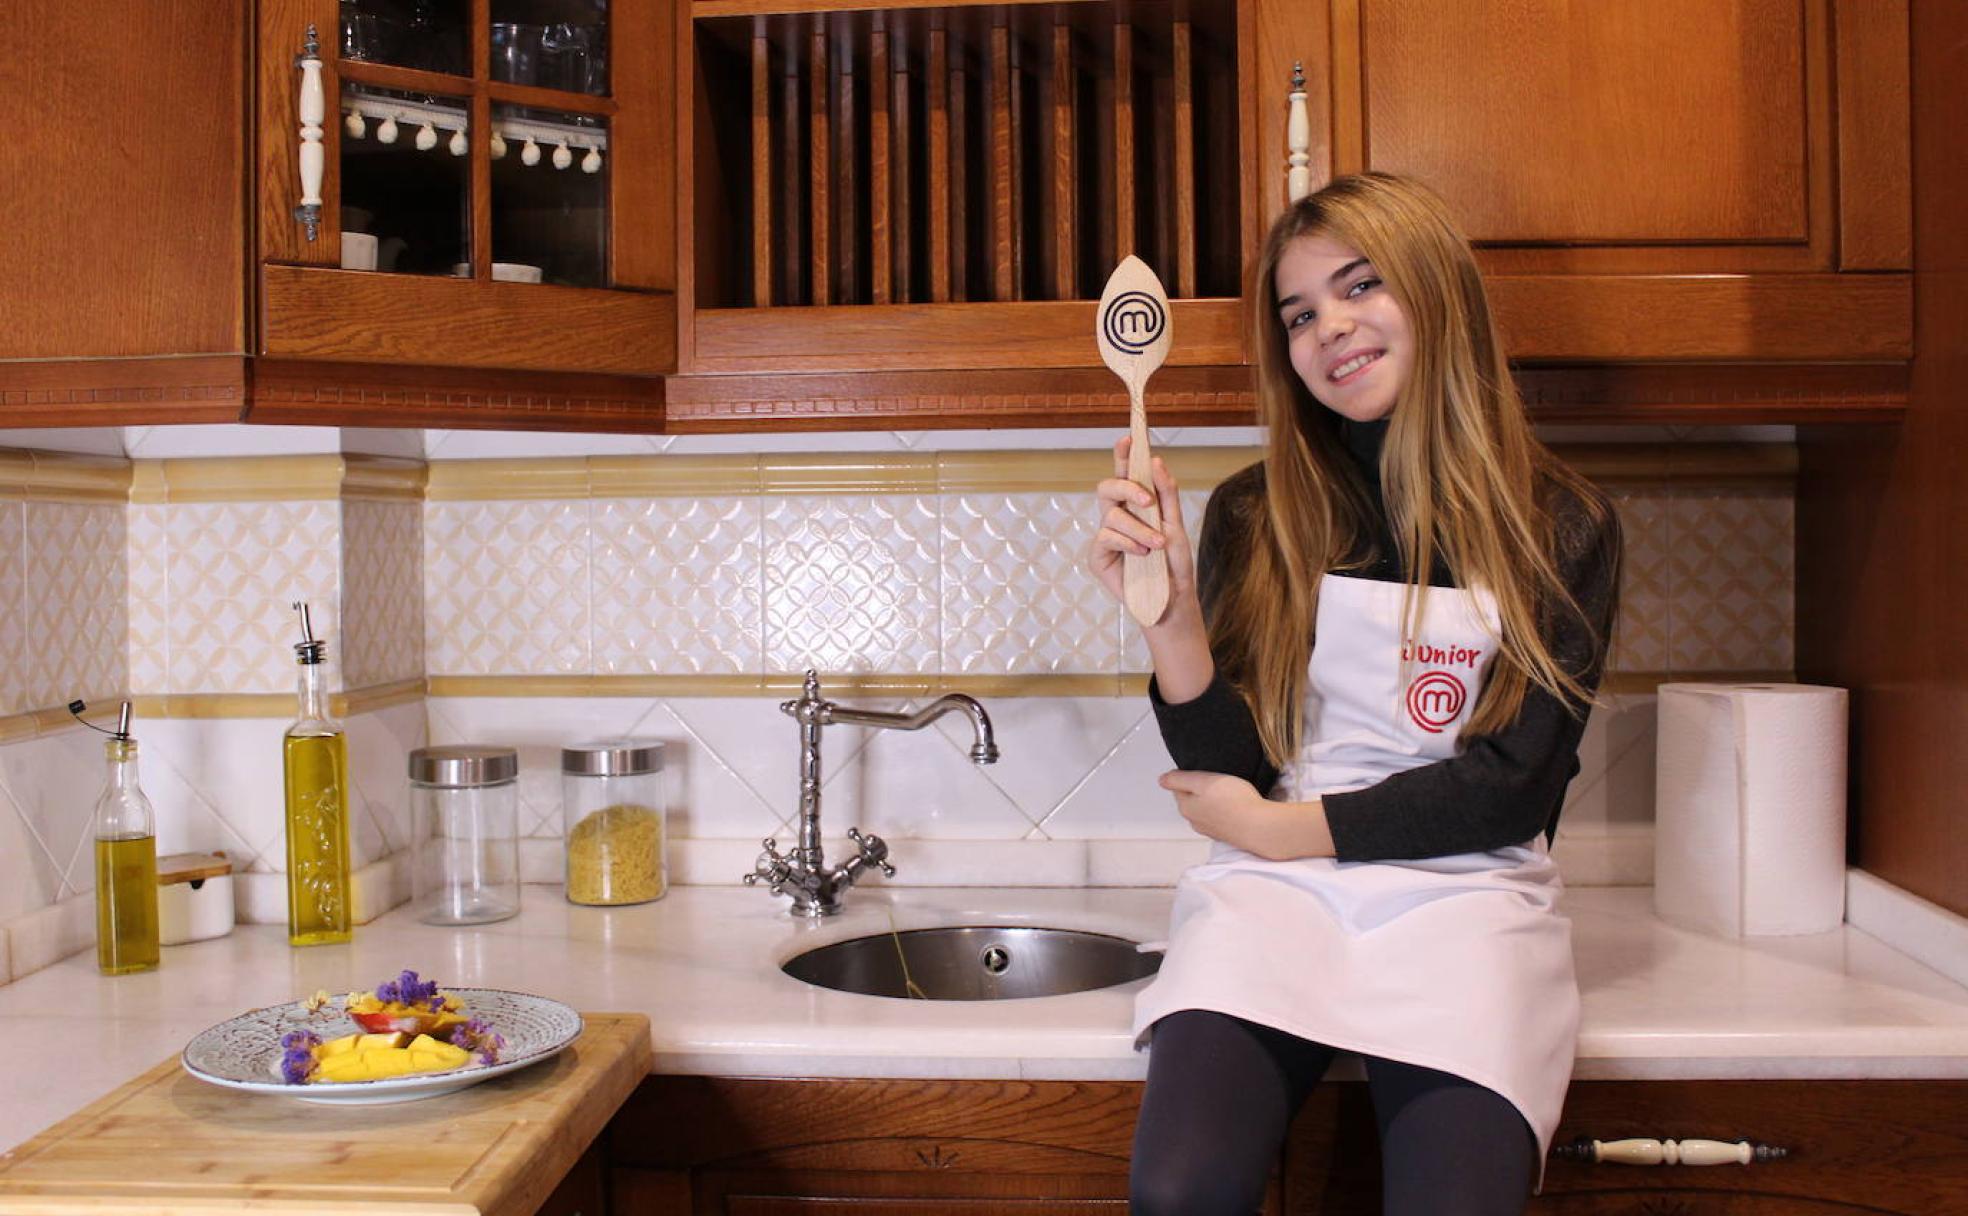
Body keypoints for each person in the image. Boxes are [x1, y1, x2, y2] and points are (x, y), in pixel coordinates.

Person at [1086, 172, 1621, 1216]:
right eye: (1299, 314)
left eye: (1359, 286)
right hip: (1277, 897)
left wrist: (1279, 829)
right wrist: (1170, 616)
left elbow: (1511, 789)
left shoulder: (1559, 521)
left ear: (1436, 295)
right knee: (1181, 1190)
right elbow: (1234, 768)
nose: (1329, 326)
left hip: (1468, 896)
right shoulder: (1256, 511)